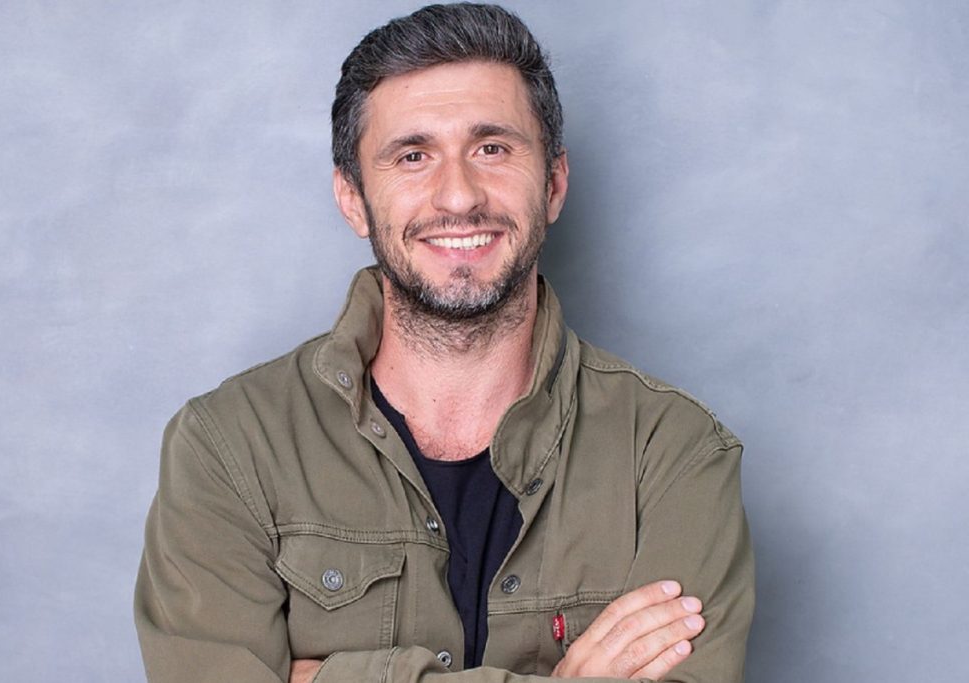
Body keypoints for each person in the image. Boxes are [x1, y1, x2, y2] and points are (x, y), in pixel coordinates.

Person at [134, 3, 755, 682]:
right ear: (353, 199)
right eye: (413, 155)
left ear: (553, 184)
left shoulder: (672, 453)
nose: (458, 197)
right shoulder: (229, 445)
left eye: (492, 149)